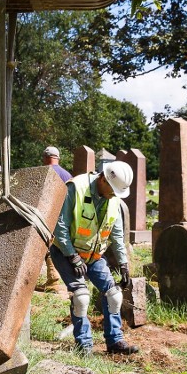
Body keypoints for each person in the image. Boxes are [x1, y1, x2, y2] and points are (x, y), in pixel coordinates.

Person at [49, 161, 139, 356]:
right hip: (66, 252)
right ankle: (84, 345)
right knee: (81, 297)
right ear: (103, 179)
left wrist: (123, 264)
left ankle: (115, 341)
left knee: (114, 294)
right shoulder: (76, 187)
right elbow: (60, 224)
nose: (115, 195)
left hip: (94, 255)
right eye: (113, 190)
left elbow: (116, 234)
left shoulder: (113, 198)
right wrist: (72, 256)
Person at [41, 146, 72, 294]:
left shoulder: (44, 172)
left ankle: (53, 281)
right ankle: (62, 279)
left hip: (48, 215)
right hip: (65, 217)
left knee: (48, 247)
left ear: (46, 157)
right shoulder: (67, 175)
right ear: (58, 158)